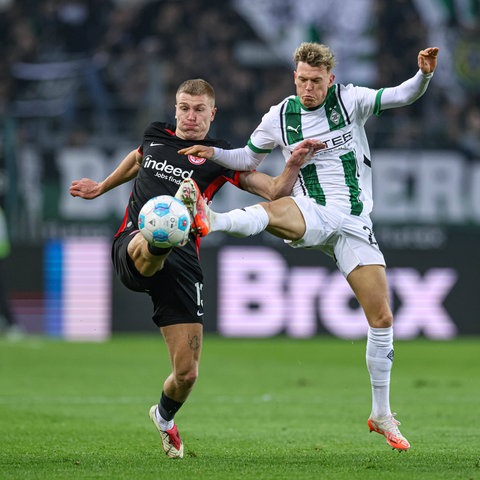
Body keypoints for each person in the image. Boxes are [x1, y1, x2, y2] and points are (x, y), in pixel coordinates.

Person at [178, 44, 440, 452]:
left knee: (383, 317)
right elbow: (248, 157)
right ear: (294, 77)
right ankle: (213, 221)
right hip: (314, 210)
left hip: (354, 223)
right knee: (278, 207)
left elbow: (403, 94)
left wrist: (423, 74)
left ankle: (381, 414)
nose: (308, 88)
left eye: (315, 81)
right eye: (301, 79)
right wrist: (214, 153)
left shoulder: (350, 101)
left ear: (330, 80)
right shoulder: (280, 116)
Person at [69, 78, 322, 459]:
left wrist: (291, 165)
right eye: (184, 108)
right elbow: (138, 159)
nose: (190, 116)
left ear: (212, 113)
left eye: (199, 109)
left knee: (187, 375)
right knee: (160, 224)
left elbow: (272, 192)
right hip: (133, 241)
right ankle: (166, 227)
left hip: (184, 265)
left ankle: (165, 419)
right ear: (175, 109)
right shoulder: (156, 135)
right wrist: (101, 187)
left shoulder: (220, 155)